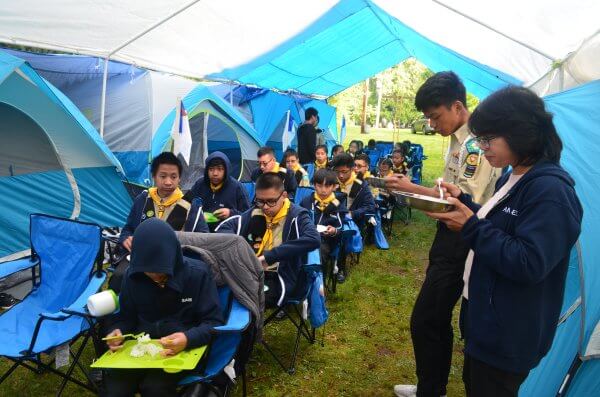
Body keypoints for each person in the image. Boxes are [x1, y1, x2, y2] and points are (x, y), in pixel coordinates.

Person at [428, 86, 582, 396]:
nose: (481, 147)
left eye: (488, 139)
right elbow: (499, 226)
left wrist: (470, 226)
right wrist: (466, 204)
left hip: (508, 335)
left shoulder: (551, 192)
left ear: (520, 133)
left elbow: (528, 261)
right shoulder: (512, 175)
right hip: (486, 326)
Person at [389, 71, 500, 397]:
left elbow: (462, 204)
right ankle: (431, 387)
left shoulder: (477, 145)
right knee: (432, 318)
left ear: (457, 106)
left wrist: (411, 190)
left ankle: (431, 390)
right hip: (448, 238)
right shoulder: (459, 141)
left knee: (427, 318)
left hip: (462, 239)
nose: (433, 125)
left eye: (435, 117)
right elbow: (450, 190)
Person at [102, 218, 223, 397]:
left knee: (155, 388)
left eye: (161, 273)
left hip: (181, 349)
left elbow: (213, 323)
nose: (155, 278)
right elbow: (127, 318)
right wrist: (117, 330)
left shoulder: (197, 274)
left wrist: (188, 338)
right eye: (148, 273)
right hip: (141, 348)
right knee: (115, 390)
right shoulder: (132, 276)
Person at [218, 172, 320, 307]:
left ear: (284, 196)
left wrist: (270, 256)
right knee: (220, 291)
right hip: (250, 271)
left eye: (271, 201)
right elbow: (225, 228)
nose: (265, 207)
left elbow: (314, 238)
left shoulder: (297, 215)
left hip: (281, 276)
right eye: (260, 201)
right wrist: (240, 251)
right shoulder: (256, 212)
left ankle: (247, 326)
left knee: (247, 299)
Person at [112, 152, 209, 292]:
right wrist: (126, 239)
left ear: (179, 178)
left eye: (173, 177)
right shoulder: (143, 200)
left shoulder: (190, 206)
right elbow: (128, 229)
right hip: (141, 259)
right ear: (154, 177)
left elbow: (204, 238)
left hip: (173, 262)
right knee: (120, 277)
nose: (168, 182)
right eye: (163, 176)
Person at [331, 153, 375, 282]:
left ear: (352, 169)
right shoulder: (332, 181)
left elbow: (370, 206)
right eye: (337, 172)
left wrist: (353, 214)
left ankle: (340, 267)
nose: (340, 176)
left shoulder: (360, 184)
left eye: (344, 172)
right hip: (332, 216)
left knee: (342, 234)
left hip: (351, 221)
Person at [186, 151, 250, 232]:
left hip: (226, 232)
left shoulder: (237, 187)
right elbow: (185, 204)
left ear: (226, 170)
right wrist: (199, 216)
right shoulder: (200, 184)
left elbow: (248, 215)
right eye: (211, 169)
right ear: (206, 171)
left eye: (220, 169)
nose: (215, 173)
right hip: (200, 232)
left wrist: (230, 213)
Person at [300, 168, 347, 261]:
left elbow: (341, 227)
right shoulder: (307, 201)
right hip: (305, 236)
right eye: (320, 186)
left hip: (325, 241)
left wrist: (333, 231)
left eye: (327, 186)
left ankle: (318, 274)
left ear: (334, 187)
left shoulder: (338, 205)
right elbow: (299, 219)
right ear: (314, 185)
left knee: (318, 252)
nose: (323, 190)